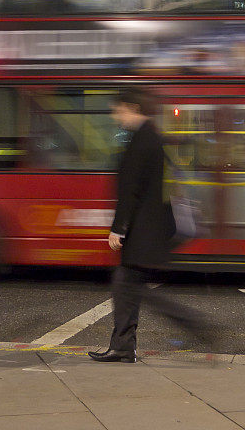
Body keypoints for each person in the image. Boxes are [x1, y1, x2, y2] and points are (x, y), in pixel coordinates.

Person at [88, 87, 213, 364]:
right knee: (128, 288)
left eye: (118, 110)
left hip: (141, 233)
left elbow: (131, 191)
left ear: (132, 107)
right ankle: (123, 346)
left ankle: (192, 323)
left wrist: (118, 228)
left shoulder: (142, 141)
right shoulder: (150, 137)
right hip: (148, 231)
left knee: (130, 288)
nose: (115, 116)